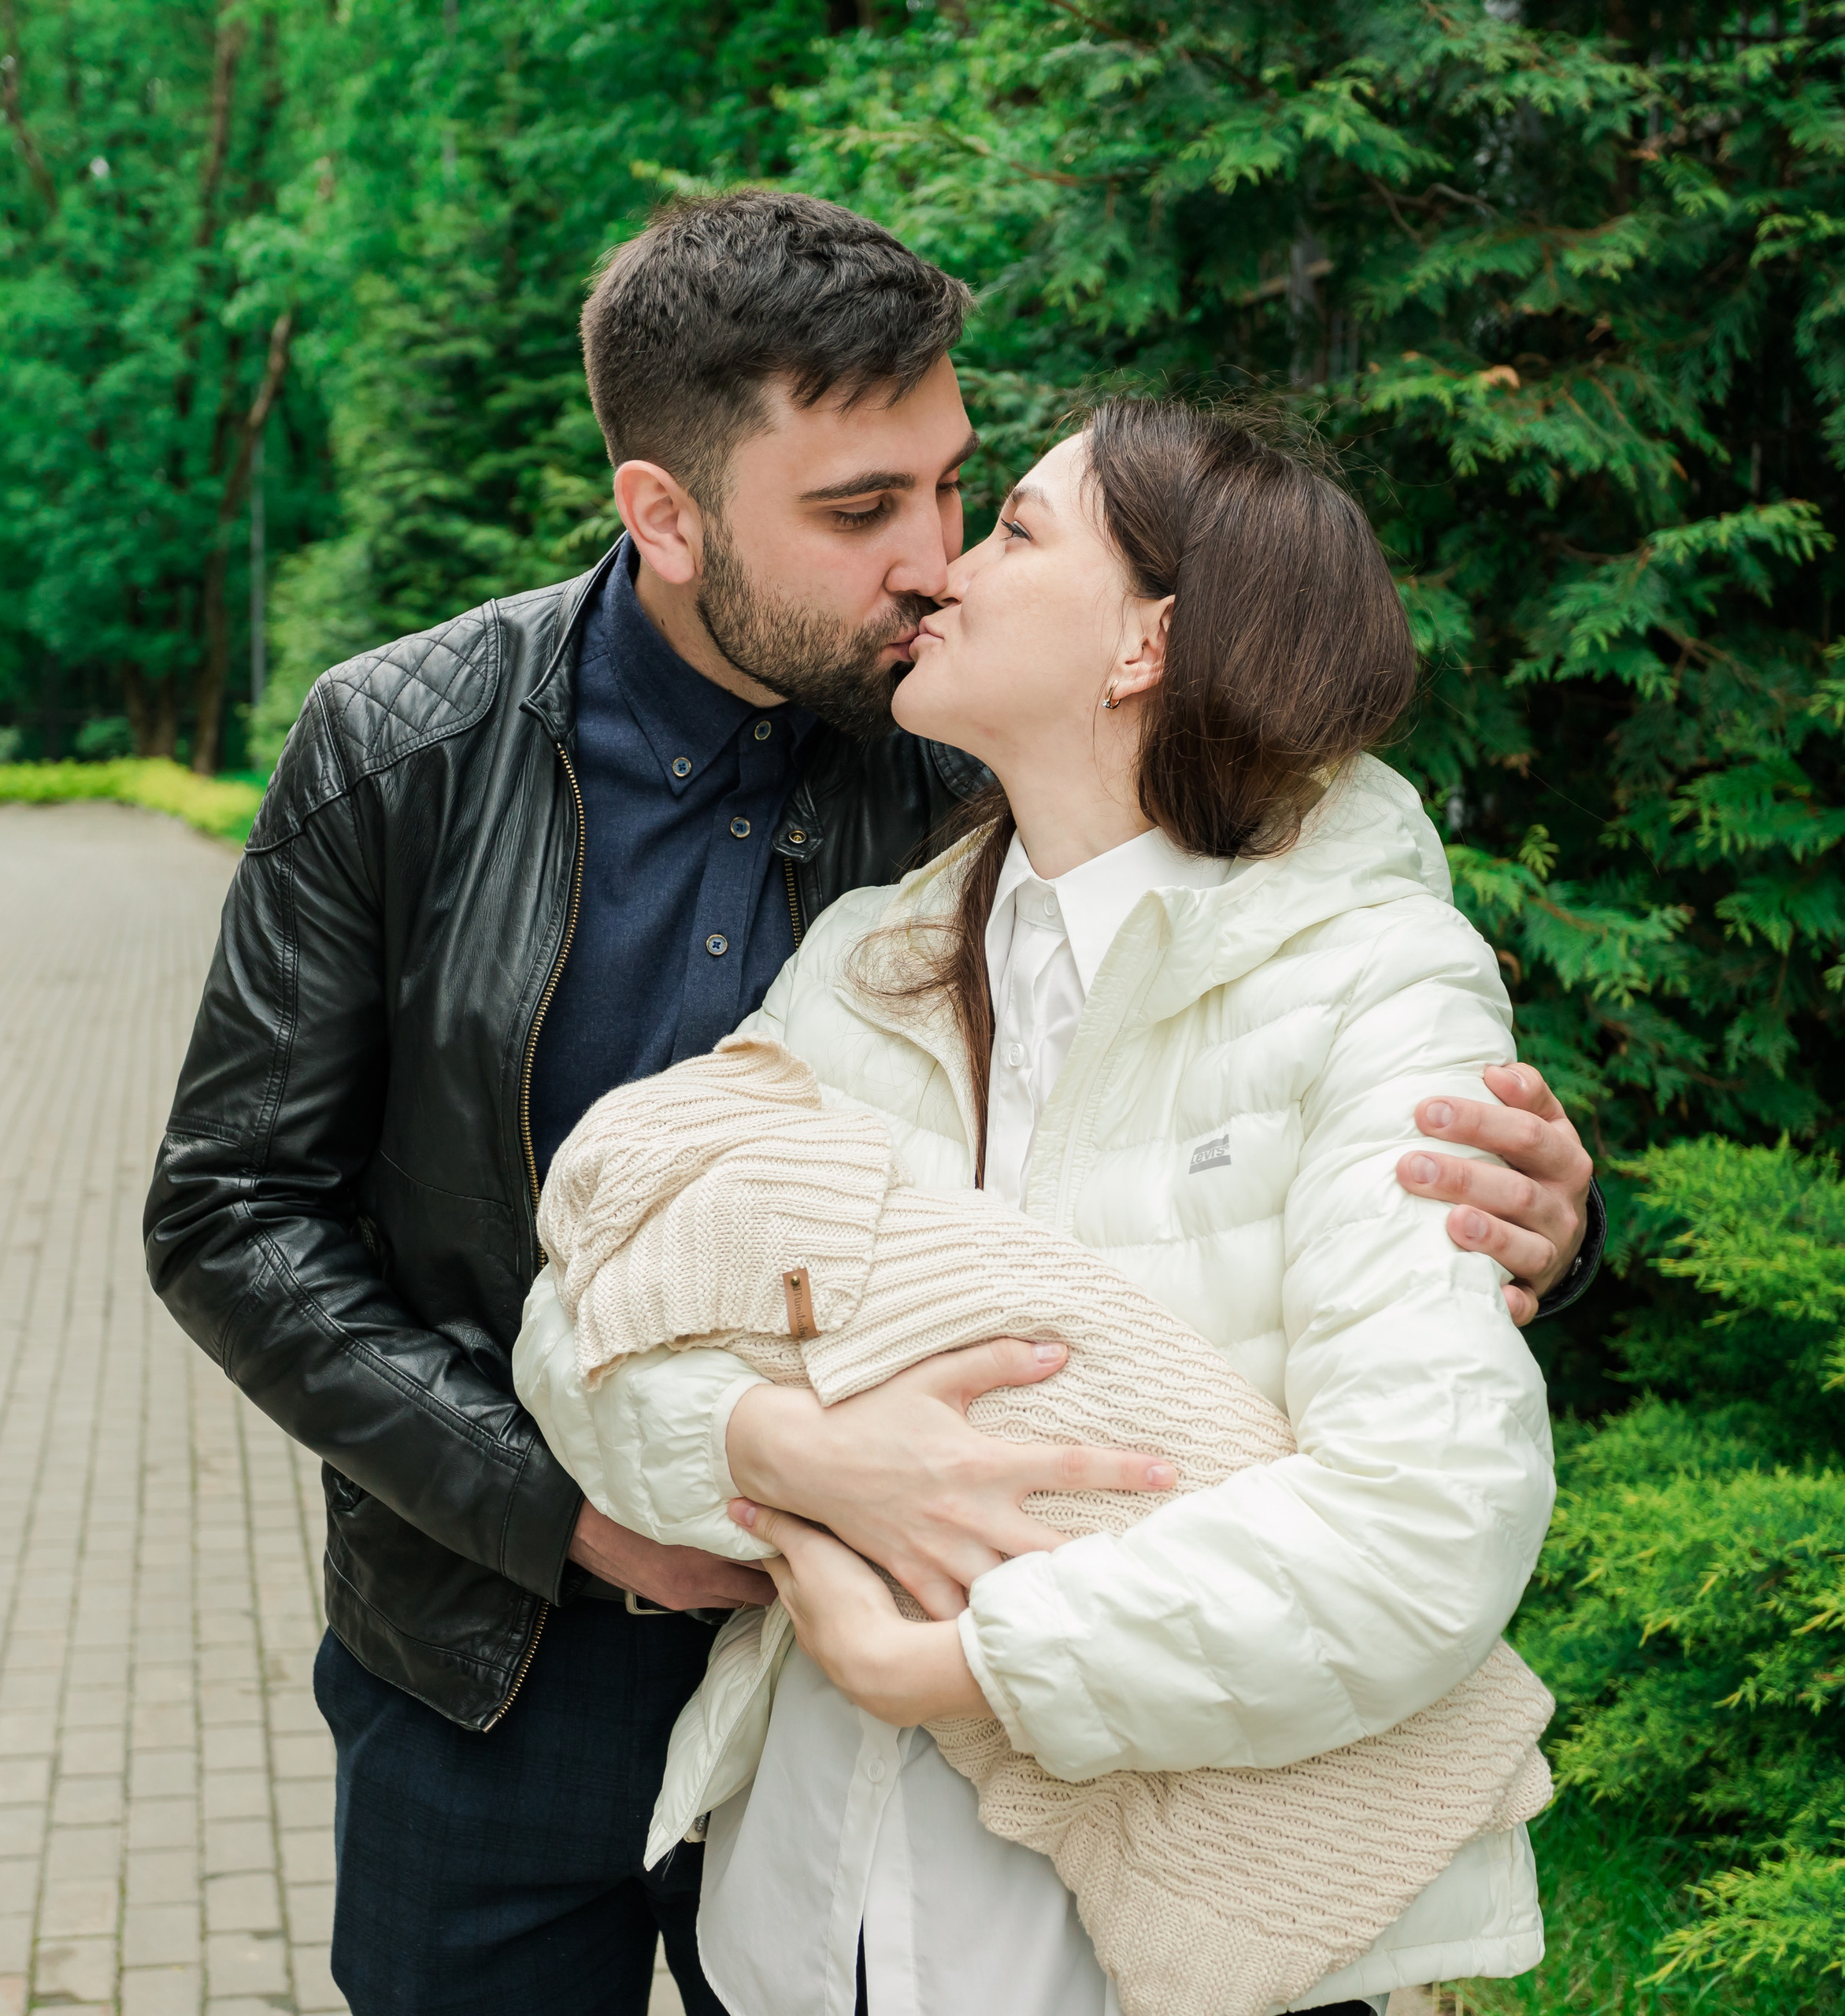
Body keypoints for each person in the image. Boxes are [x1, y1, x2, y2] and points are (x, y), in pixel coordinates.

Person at [143, 194, 1600, 2016]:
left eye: (954, 487)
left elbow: (1265, 954)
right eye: (857, 513)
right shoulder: (405, 748)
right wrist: (570, 1505)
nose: (928, 559)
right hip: (501, 1658)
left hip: (877, 1731)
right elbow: (227, 1212)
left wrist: (1526, 1203)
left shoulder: (982, 747)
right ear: (663, 515)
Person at [519, 398, 1560, 2016]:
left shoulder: (1369, 988)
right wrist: (773, 1450)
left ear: (1146, 641)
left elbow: (1426, 1519)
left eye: (1009, 527)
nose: (938, 572)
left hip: (1141, 1959)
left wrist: (953, 1662)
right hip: (793, 1928)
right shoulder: (865, 959)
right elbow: (585, 1308)